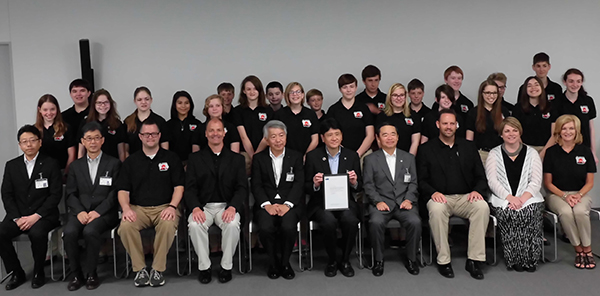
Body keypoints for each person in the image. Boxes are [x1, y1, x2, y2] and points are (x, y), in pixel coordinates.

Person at [417, 109, 489, 280]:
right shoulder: (426, 149)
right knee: (436, 210)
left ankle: (474, 260)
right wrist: (433, 192)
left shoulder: (468, 147)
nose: (448, 127)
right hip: (440, 197)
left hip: (466, 197)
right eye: (445, 123)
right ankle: (444, 260)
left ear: (456, 125)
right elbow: (421, 180)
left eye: (452, 123)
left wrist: (477, 191)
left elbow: (481, 176)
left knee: (482, 207)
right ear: (438, 125)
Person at [116, 118, 184, 287]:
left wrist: (172, 206)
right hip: (138, 209)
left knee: (168, 225)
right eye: (146, 134)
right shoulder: (131, 162)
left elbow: (179, 187)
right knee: (125, 226)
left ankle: (157, 270)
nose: (150, 137)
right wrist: (126, 208)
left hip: (165, 207)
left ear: (159, 135)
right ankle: (140, 270)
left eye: (153, 133)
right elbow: (123, 190)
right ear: (140, 137)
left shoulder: (171, 158)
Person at [185, 118, 247, 284]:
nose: (215, 134)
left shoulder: (237, 159)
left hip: (227, 206)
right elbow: (189, 188)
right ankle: (204, 267)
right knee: (194, 224)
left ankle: (226, 267)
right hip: (203, 207)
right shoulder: (195, 158)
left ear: (224, 133)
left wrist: (233, 207)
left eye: (219, 130)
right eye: (211, 130)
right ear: (206, 134)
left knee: (233, 224)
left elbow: (241, 188)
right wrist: (196, 208)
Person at [0, 125, 62, 290]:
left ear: (40, 142)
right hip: (18, 214)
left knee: (37, 232)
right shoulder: (11, 165)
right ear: (19, 145)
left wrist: (37, 215)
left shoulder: (50, 164)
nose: (29, 145)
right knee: (1, 232)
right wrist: (16, 217)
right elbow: (6, 194)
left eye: (32, 140)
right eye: (24, 142)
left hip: (44, 215)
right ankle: (16, 271)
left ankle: (38, 271)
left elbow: (55, 195)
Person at [64, 122, 121, 290]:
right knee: (69, 232)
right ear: (83, 141)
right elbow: (70, 194)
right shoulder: (75, 166)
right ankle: (76, 274)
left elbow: (115, 193)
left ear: (103, 140)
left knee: (90, 231)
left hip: (104, 213)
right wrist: (80, 211)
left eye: (97, 138)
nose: (93, 142)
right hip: (80, 211)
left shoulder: (114, 163)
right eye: (89, 139)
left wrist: (98, 212)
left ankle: (91, 273)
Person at [485, 117, 544, 272]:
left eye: (514, 130)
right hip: (503, 198)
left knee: (529, 213)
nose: (511, 134)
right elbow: (492, 181)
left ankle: (530, 258)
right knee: (511, 214)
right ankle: (514, 258)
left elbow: (536, 181)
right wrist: (510, 198)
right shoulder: (494, 154)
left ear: (520, 132)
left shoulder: (532, 153)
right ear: (501, 135)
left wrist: (522, 199)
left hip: (529, 198)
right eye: (507, 131)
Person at [304, 118, 360, 277]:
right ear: (322, 138)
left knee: (350, 220)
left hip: (345, 202)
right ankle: (332, 260)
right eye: (329, 135)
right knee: (328, 221)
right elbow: (306, 186)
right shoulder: (313, 156)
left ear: (342, 136)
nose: (334, 138)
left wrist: (354, 182)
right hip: (320, 203)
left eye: (337, 134)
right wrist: (315, 184)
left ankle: (345, 259)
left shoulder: (352, 155)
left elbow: (360, 186)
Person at [364, 123, 422, 276]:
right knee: (375, 222)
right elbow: (368, 185)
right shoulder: (370, 159)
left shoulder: (408, 158)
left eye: (392, 134)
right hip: (381, 203)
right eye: (385, 135)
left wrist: (409, 199)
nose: (389, 138)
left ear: (397, 137)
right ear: (377, 139)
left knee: (415, 222)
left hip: (404, 202)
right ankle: (378, 260)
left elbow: (414, 182)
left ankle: (411, 259)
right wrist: (377, 201)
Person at [251, 120, 304, 280]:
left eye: (281, 136)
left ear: (286, 137)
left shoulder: (295, 157)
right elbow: (256, 185)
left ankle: (285, 262)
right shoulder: (259, 159)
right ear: (266, 140)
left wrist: (287, 205)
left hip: (290, 204)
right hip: (266, 204)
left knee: (288, 227)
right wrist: (267, 205)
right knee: (266, 228)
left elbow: (298, 184)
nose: (278, 140)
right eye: (273, 137)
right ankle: (273, 262)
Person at [543, 115, 596, 269]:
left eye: (571, 128)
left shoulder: (585, 151)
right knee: (566, 212)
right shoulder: (552, 152)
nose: (568, 131)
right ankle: (578, 250)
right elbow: (548, 183)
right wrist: (565, 196)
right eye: (564, 128)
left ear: (577, 130)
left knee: (580, 212)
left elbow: (590, 182)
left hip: (581, 193)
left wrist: (578, 195)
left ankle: (588, 249)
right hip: (556, 194)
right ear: (559, 131)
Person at [327, 74, 375, 158]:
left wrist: (357, 154)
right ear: (340, 89)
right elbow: (329, 135)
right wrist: (344, 154)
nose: (348, 90)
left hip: (363, 154)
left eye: (351, 86)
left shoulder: (364, 108)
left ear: (356, 87)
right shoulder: (333, 110)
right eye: (345, 87)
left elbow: (370, 135)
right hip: (339, 155)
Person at [233, 75, 273, 174]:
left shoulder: (268, 110)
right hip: (245, 151)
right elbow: (243, 136)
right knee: (245, 161)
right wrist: (253, 156)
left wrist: (257, 155)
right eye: (248, 89)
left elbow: (267, 136)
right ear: (243, 91)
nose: (252, 92)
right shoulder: (238, 111)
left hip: (264, 149)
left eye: (255, 89)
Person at [556, 68, 597, 162]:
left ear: (582, 82)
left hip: (584, 148)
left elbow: (591, 129)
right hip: (562, 149)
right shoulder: (557, 102)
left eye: (578, 81)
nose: (575, 85)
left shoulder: (588, 101)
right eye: (571, 81)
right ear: (564, 82)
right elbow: (554, 130)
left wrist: (593, 152)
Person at [466, 79, 510, 164]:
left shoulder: (504, 111)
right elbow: (469, 140)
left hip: (500, 155)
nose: (491, 96)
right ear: (482, 93)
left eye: (494, 93)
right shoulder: (473, 112)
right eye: (488, 93)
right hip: (481, 155)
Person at [512, 76, 556, 155]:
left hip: (547, 150)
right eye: (529, 86)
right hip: (524, 150)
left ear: (542, 88)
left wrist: (543, 152)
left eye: (536, 85)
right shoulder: (518, 108)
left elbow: (554, 134)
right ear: (525, 89)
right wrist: (526, 152)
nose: (533, 88)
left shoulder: (551, 107)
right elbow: (515, 133)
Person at [78, 89, 127, 161]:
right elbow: (81, 151)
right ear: (94, 104)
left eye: (106, 102)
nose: (103, 105)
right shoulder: (85, 123)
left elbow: (121, 152)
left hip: (112, 166)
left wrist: (122, 169)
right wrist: (80, 169)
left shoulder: (117, 124)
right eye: (99, 103)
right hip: (91, 164)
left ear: (110, 104)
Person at [274, 82, 319, 156]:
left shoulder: (310, 114)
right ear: (287, 96)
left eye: (298, 92)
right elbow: (275, 138)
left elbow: (315, 139)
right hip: (285, 157)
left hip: (306, 157)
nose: (295, 94)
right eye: (291, 92)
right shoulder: (279, 115)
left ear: (302, 95)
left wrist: (306, 156)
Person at [35, 94, 77, 173]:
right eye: (45, 110)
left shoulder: (66, 128)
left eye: (52, 109)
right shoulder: (34, 130)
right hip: (41, 172)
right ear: (39, 110)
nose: (49, 113)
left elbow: (72, 154)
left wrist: (66, 173)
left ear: (57, 109)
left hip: (62, 171)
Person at [376, 83, 421, 155]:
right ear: (390, 97)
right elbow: (379, 140)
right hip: (387, 157)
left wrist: (409, 160)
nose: (399, 98)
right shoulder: (382, 117)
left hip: (407, 157)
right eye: (395, 95)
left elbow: (415, 142)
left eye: (401, 95)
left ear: (405, 96)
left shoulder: (413, 116)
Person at [123, 86, 169, 157]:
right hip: (134, 164)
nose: (143, 102)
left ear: (151, 100)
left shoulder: (160, 121)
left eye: (146, 99)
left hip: (155, 163)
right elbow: (125, 150)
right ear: (135, 101)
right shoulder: (128, 122)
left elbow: (165, 148)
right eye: (139, 100)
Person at [166, 90, 202, 165]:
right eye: (179, 103)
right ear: (174, 105)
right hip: (173, 164)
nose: (183, 106)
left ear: (190, 104)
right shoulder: (167, 125)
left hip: (193, 165)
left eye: (186, 103)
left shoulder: (198, 124)